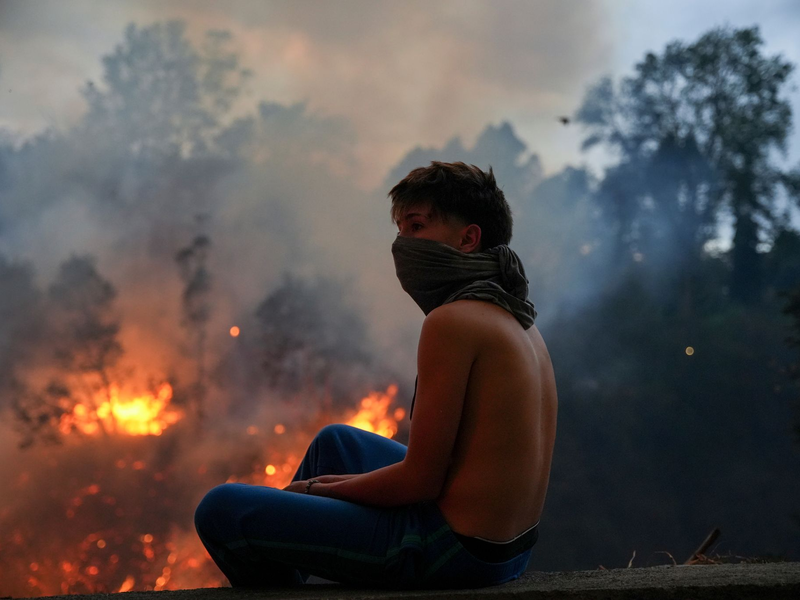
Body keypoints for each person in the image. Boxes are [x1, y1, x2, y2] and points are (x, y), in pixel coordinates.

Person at [194, 161, 558, 589]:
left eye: (417, 226)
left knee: (221, 510)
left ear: (468, 239)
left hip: (454, 551)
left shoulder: (452, 322)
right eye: (401, 229)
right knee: (337, 442)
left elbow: (421, 481)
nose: (402, 244)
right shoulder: (518, 320)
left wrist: (316, 491)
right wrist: (327, 486)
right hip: (507, 549)